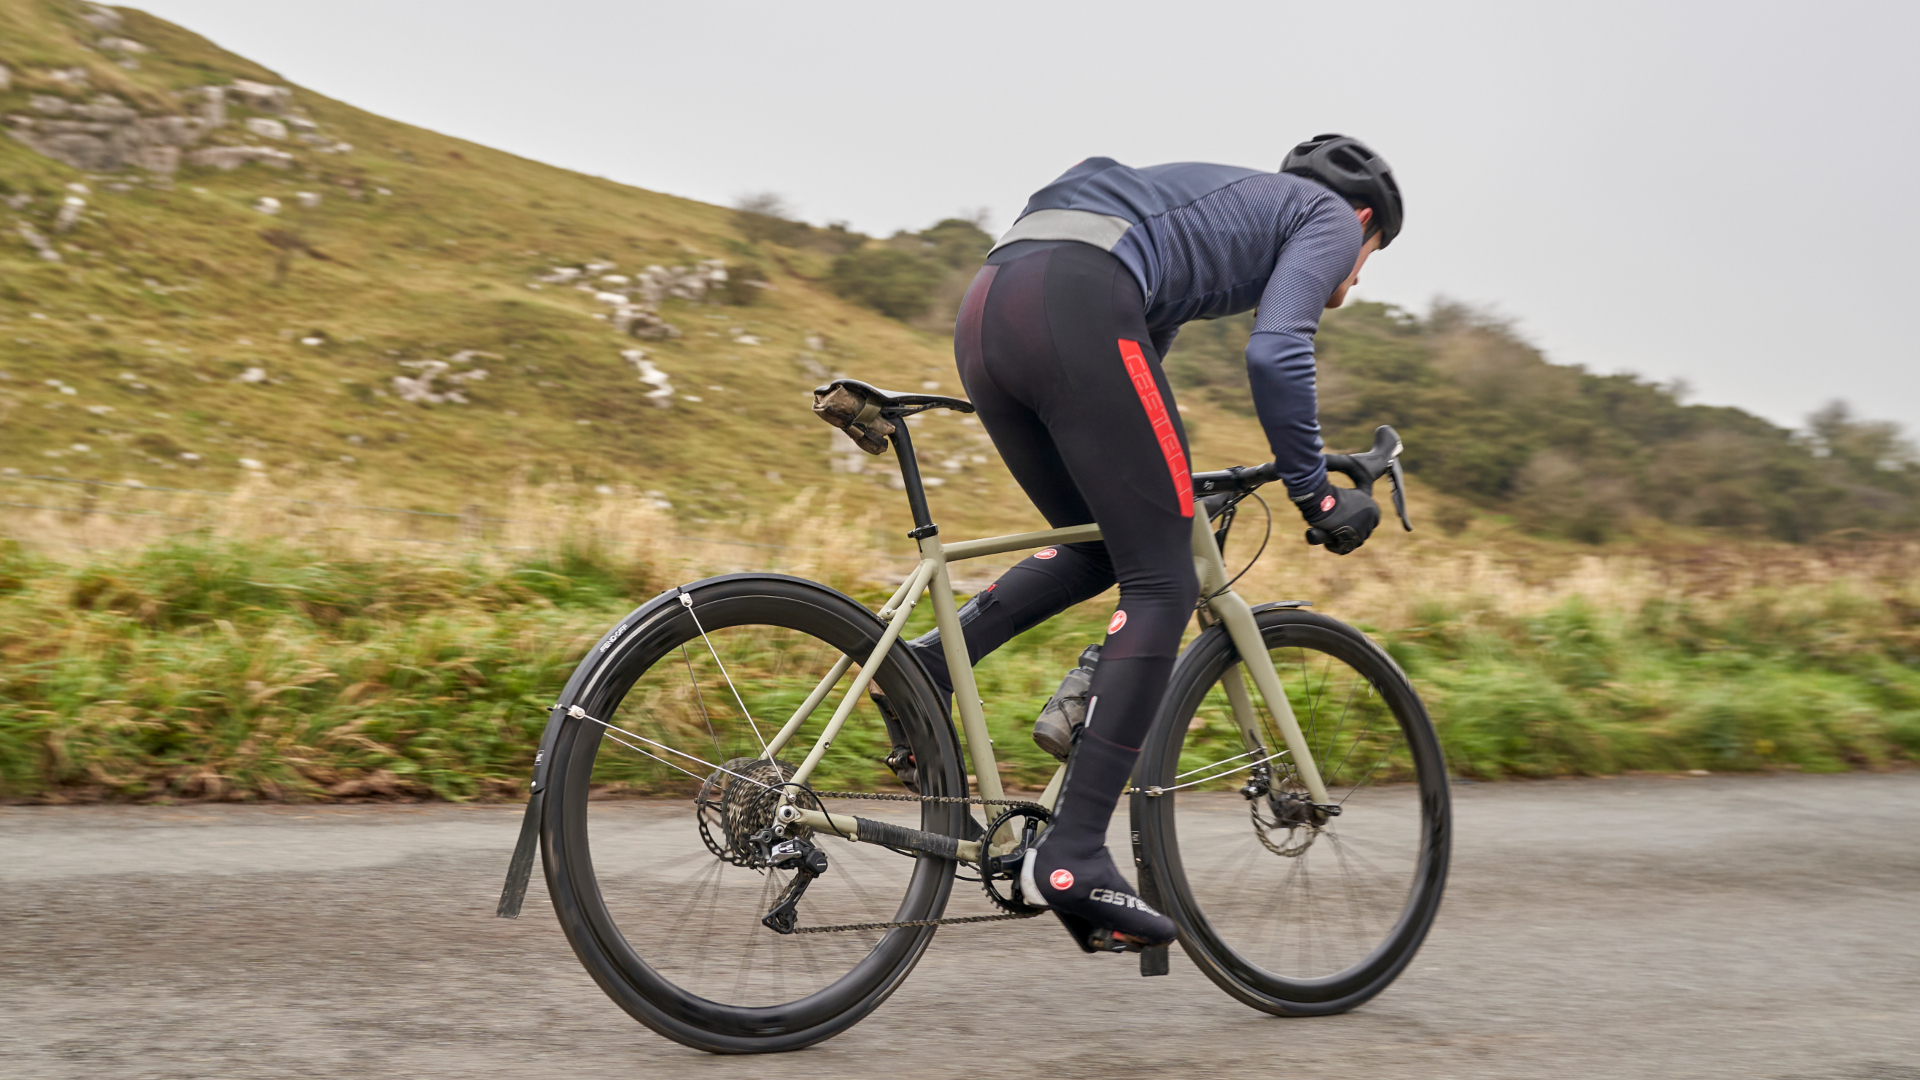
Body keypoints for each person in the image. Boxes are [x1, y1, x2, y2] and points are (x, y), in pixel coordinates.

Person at [905, 134, 1403, 952]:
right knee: (1165, 581)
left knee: (1105, 544)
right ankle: (1070, 856)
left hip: (992, 304)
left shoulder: (1205, 212)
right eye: (1369, 255)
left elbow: (1137, 383)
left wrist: (1180, 482)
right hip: (1074, 301)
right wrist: (1313, 490)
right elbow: (1278, 351)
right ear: (1363, 221)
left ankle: (923, 667)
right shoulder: (1328, 218)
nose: (1353, 274)